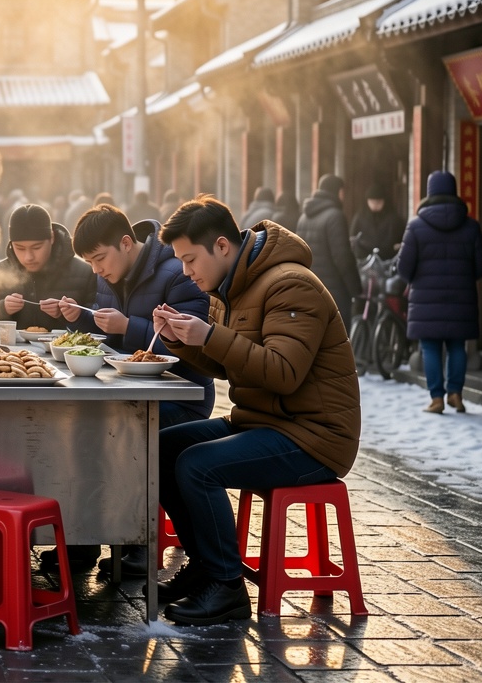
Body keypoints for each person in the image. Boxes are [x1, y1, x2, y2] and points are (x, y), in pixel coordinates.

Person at [148, 198, 360, 625]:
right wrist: (180, 339)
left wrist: (210, 336)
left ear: (221, 246)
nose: (186, 272)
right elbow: (232, 364)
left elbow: (283, 372)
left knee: (196, 465)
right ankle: (206, 566)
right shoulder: (229, 287)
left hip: (312, 436)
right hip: (263, 422)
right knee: (159, 449)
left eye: (190, 259)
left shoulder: (290, 284)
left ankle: (226, 587)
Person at [58, 204, 215, 576]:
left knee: (121, 437)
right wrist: (83, 316)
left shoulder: (177, 273)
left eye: (99, 259)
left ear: (126, 243)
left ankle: (139, 544)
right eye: (90, 263)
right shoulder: (108, 276)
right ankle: (83, 540)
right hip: (130, 391)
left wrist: (129, 326)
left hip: (181, 396)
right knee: (75, 428)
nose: (96, 270)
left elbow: (193, 348)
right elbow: (111, 335)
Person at [397, 171, 482, 414]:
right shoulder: (471, 226)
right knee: (458, 345)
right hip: (462, 298)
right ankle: (456, 393)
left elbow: (403, 267)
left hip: (425, 299)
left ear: (429, 193)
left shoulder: (415, 226)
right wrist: (464, 278)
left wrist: (416, 279)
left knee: (429, 347)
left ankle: (436, 397)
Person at [0, 204, 95, 331]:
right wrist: (2, 308)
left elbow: (98, 329)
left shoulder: (85, 272)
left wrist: (73, 316)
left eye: (36, 247)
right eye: (20, 248)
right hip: (9, 345)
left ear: (52, 238)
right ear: (11, 244)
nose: (28, 257)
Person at [295, 175, 360, 326]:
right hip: (333, 294)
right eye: (342, 191)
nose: (343, 196)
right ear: (337, 191)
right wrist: (356, 290)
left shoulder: (303, 218)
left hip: (309, 290)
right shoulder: (335, 216)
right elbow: (343, 258)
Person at [351, 183, 405, 259]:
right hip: (364, 258)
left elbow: (401, 240)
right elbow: (353, 237)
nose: (375, 205)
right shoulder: (359, 217)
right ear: (367, 201)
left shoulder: (394, 218)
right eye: (372, 202)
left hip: (388, 258)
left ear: (384, 201)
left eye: (378, 202)